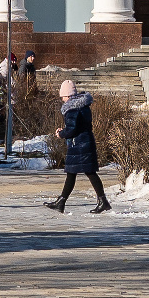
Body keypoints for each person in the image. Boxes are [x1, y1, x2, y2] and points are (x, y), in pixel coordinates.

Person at [45, 78, 109, 214]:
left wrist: (61, 133)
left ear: (67, 95)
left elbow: (72, 129)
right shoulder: (83, 106)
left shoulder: (72, 109)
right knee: (77, 173)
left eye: (62, 97)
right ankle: (61, 201)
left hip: (79, 145)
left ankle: (102, 201)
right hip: (84, 142)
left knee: (84, 172)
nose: (62, 100)